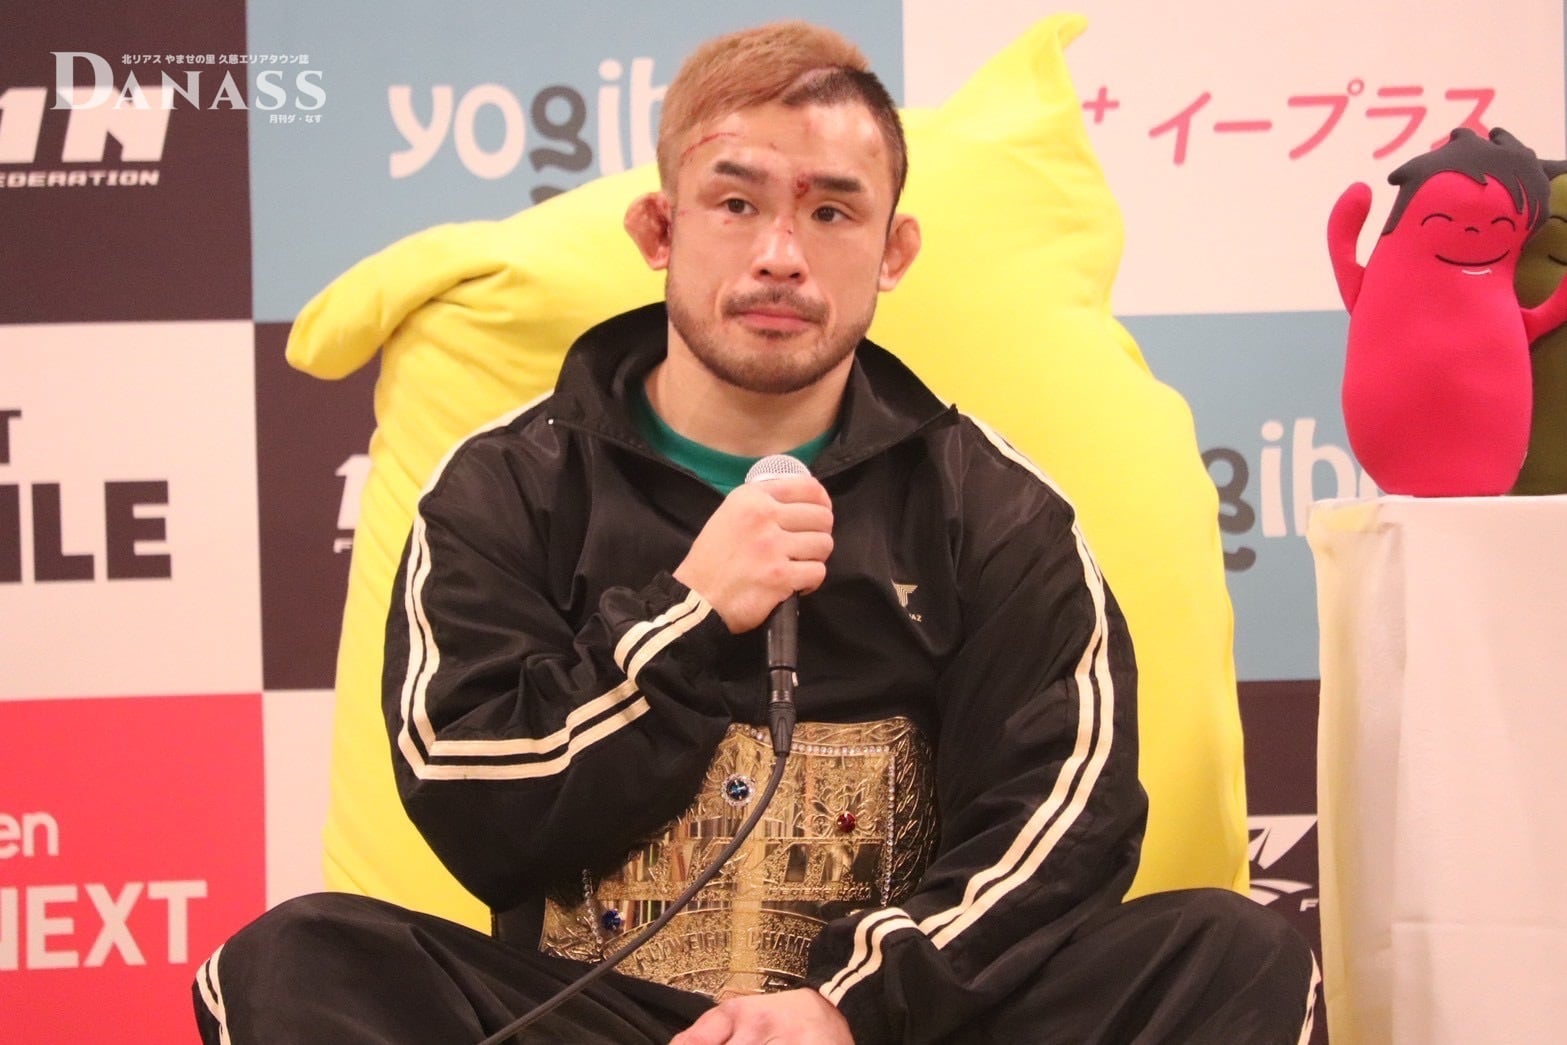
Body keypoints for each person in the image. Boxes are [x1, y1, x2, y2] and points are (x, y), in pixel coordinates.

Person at [194, 21, 1317, 1044]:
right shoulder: (509, 485)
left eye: (830, 212)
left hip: (887, 1026)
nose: (781, 253)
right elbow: (470, 789)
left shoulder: (991, 507)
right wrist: (684, 619)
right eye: (736, 204)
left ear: (893, 252)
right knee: (295, 959)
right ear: (658, 228)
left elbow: (1063, 820)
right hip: (598, 1018)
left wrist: (846, 1004)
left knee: (1230, 950)